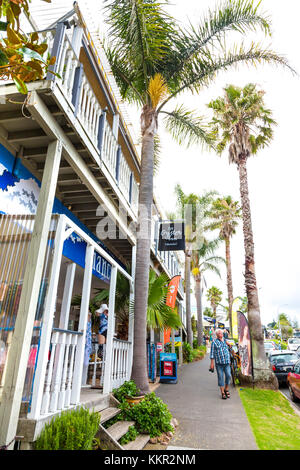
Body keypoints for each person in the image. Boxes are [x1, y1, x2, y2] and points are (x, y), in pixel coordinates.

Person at [210, 328, 232, 399]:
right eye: (219, 333)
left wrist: (229, 345)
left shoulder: (225, 340)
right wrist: (212, 364)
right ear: (216, 334)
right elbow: (212, 354)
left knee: (228, 375)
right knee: (221, 377)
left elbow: (229, 347)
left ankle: (226, 389)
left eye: (221, 333)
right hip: (219, 363)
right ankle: (222, 392)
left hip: (227, 362)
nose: (221, 334)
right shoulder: (214, 342)